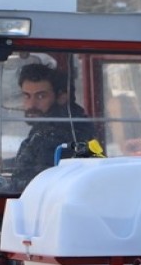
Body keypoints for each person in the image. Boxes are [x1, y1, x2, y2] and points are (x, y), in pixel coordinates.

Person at [10, 62, 98, 191]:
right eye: (27, 96)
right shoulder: (48, 127)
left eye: (41, 96)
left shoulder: (58, 134)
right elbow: (35, 158)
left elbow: (38, 183)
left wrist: (3, 187)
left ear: (62, 97)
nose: (31, 105)